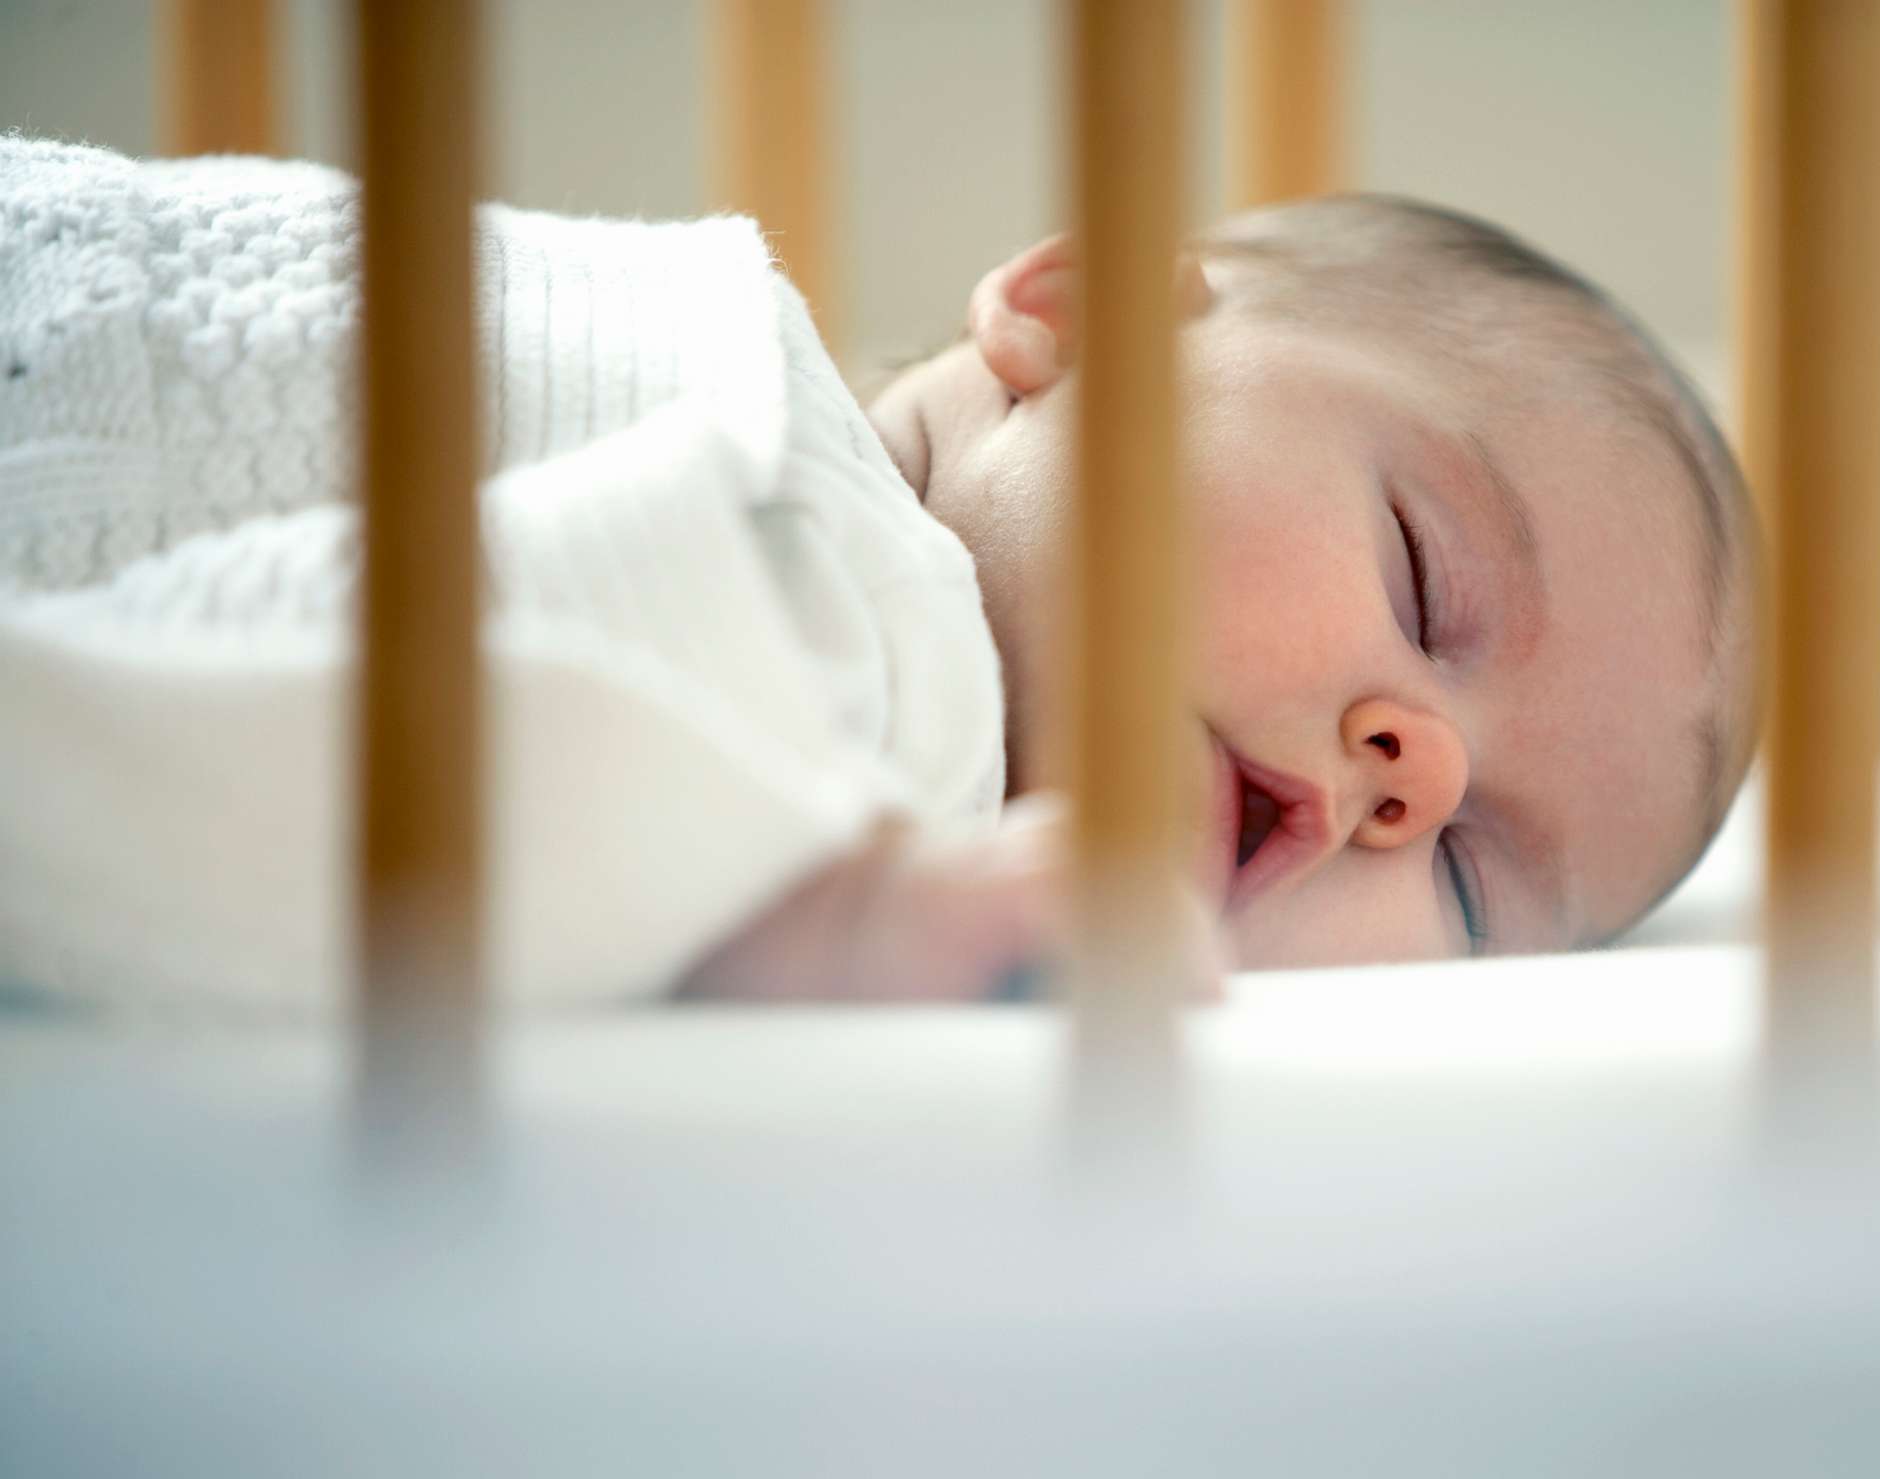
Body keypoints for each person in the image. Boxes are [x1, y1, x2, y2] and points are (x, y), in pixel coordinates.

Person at [0, 136, 1755, 1007]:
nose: (1418, 771)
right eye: (1425, 582)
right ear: (1077, 320)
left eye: (1470, 887)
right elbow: (296, 761)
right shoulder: (857, 620)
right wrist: (810, 926)